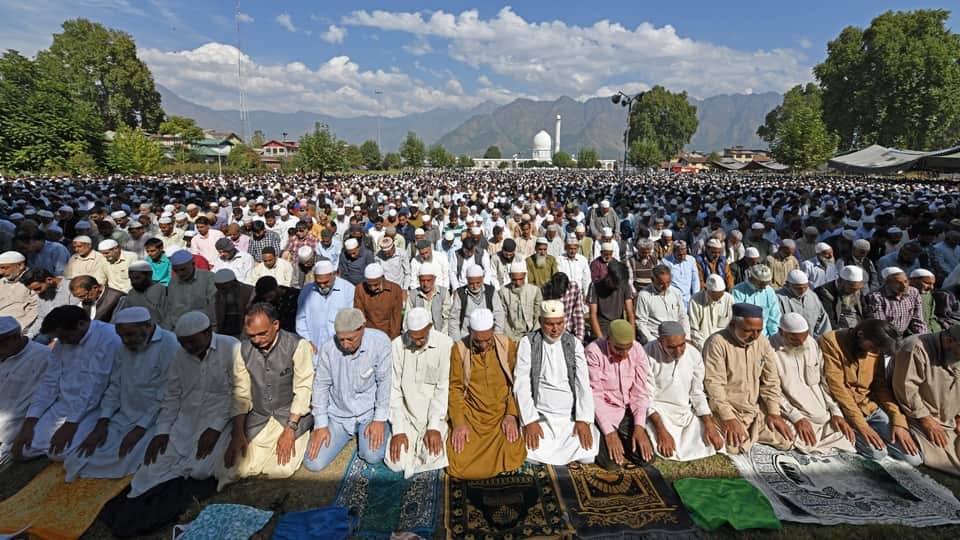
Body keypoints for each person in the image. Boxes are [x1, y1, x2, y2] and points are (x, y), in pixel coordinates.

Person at [129, 311, 239, 497]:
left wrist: (215, 428)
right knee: (150, 468)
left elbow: (237, 393)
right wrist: (162, 431)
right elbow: (172, 395)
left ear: (208, 332)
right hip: (186, 419)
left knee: (200, 470)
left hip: (219, 417)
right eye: (183, 343)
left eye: (192, 342)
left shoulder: (231, 347)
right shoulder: (180, 355)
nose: (188, 347)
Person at [65, 307, 179, 480]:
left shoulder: (169, 344)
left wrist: (140, 428)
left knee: (130, 457)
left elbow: (167, 393)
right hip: (124, 417)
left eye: (130, 335)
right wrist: (102, 422)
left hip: (155, 419)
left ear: (147, 327)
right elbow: (115, 385)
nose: (125, 341)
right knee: (78, 458)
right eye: (121, 336)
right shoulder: (124, 346)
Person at [220, 303, 314, 487]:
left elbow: (304, 388)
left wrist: (290, 429)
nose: (257, 340)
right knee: (232, 469)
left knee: (280, 469)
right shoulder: (242, 350)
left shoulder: (297, 345)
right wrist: (238, 433)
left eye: (262, 333)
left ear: (276, 325)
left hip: (291, 416)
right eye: (251, 336)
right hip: (260, 417)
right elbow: (241, 393)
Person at [11, 306, 121, 461]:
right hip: (63, 405)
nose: (61, 342)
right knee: (23, 450)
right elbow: (50, 382)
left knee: (59, 453)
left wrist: (71, 424)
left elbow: (95, 386)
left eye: (63, 337)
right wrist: (29, 423)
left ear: (82, 324)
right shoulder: (62, 342)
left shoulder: (109, 338)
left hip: (96, 406)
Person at [820, 319, 923, 466]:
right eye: (873, 347)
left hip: (869, 407)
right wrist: (861, 425)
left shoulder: (876, 349)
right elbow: (838, 389)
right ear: (860, 334)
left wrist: (898, 421)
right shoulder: (831, 341)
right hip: (844, 411)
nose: (874, 352)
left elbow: (880, 387)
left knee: (913, 458)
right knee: (877, 453)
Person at [304, 309, 392, 471]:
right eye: (341, 339)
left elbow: (385, 383)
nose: (345, 344)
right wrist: (321, 424)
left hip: (369, 413)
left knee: (372, 455)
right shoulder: (329, 349)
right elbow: (321, 386)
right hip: (339, 415)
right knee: (313, 462)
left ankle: (382, 429)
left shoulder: (380, 343)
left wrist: (379, 419)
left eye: (350, 339)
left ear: (362, 329)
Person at [514, 301, 598, 465]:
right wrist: (530, 421)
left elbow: (583, 384)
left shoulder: (573, 343)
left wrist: (583, 420)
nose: (555, 329)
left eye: (559, 323)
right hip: (541, 416)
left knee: (588, 456)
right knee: (531, 456)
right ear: (540, 321)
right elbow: (521, 384)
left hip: (569, 418)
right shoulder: (528, 342)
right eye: (550, 324)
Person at [702, 303, 794, 455]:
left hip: (754, 410)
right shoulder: (717, 343)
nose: (754, 335)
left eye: (759, 330)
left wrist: (773, 412)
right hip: (729, 409)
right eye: (748, 330)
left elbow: (771, 382)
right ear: (733, 324)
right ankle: (740, 431)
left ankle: (754, 431)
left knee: (786, 440)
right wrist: (728, 418)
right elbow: (714, 385)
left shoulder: (763, 343)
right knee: (734, 447)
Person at [446, 308, 525, 479]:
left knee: (513, 453)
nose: (482, 346)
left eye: (487, 340)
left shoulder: (507, 345)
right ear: (470, 332)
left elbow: (516, 384)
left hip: (500, 415)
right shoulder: (459, 350)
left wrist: (511, 415)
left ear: (493, 331)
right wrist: (459, 423)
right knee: (457, 460)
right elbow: (455, 389)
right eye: (478, 341)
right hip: (473, 416)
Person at [771, 313, 856, 455]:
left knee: (846, 437)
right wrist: (796, 417)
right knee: (793, 439)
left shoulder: (810, 343)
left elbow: (824, 381)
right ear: (781, 332)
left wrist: (835, 411)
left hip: (824, 414)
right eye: (794, 340)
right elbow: (773, 392)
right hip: (794, 413)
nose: (801, 344)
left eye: (804, 338)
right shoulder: (770, 350)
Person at [386, 308, 453, 478]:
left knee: (432, 456)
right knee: (396, 463)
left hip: (431, 416)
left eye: (422, 337)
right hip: (406, 416)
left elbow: (442, 389)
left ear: (430, 327)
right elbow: (393, 390)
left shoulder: (445, 344)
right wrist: (398, 429)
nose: (417, 342)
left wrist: (433, 427)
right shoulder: (397, 345)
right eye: (413, 338)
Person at [643, 321, 724, 461]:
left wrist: (709, 424)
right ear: (660, 341)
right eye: (672, 347)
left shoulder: (693, 354)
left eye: (682, 345)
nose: (678, 351)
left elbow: (697, 392)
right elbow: (645, 398)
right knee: (661, 445)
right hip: (659, 412)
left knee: (708, 442)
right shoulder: (647, 354)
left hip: (685, 412)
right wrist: (661, 431)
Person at [892, 325, 960, 476]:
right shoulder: (914, 348)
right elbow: (905, 389)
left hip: (950, 420)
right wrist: (926, 420)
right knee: (922, 456)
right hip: (917, 417)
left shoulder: (955, 350)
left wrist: (959, 417)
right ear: (949, 341)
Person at [585, 319, 652, 469]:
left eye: (628, 349)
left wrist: (639, 427)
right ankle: (605, 436)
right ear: (608, 340)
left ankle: (622, 440)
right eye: (619, 349)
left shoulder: (637, 350)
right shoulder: (593, 352)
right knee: (611, 464)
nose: (624, 354)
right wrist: (609, 433)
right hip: (601, 412)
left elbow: (640, 392)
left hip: (625, 409)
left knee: (646, 458)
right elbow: (594, 396)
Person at [0, 317, 51, 466]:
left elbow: (29, 405)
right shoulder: (5, 354)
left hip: (13, 427)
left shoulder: (43, 357)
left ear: (14, 338)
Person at [296, 259, 355, 353]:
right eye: (318, 283)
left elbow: (353, 320)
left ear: (334, 275)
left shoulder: (348, 290)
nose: (322, 286)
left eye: (326, 282)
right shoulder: (306, 291)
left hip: (340, 348)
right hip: (314, 349)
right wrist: (307, 341)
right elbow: (300, 319)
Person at [863, 266, 927, 337]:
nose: (904, 286)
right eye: (898, 283)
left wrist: (923, 338)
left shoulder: (913, 292)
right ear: (888, 283)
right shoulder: (876, 297)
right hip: (885, 337)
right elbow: (880, 326)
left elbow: (918, 321)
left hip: (903, 335)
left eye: (906, 281)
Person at [448, 265, 505, 341]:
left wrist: (496, 336)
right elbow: (454, 320)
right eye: (471, 283)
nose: (475, 286)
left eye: (478, 283)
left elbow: (499, 315)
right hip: (466, 338)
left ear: (482, 279)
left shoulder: (491, 291)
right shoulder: (460, 293)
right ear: (467, 280)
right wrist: (457, 342)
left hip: (488, 338)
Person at [164, 249, 217, 331]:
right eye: (176, 270)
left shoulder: (209, 278)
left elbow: (214, 308)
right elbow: (170, 310)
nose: (179, 273)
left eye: (183, 269)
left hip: (202, 328)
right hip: (178, 328)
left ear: (193, 264)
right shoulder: (173, 282)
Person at [635, 264, 689, 345]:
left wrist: (687, 337)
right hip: (656, 340)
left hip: (677, 339)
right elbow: (641, 323)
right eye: (661, 283)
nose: (665, 286)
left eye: (668, 282)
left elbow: (683, 316)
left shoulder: (675, 292)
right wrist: (653, 342)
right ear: (653, 280)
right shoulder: (644, 295)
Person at [776, 269, 832, 339]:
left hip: (811, 341)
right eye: (798, 288)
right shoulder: (778, 298)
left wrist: (821, 340)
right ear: (788, 284)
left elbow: (822, 320)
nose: (802, 291)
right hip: (789, 341)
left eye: (805, 287)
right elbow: (777, 324)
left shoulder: (812, 296)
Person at [354, 263, 404, 340]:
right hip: (368, 334)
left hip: (388, 334)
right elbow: (359, 316)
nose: (373, 288)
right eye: (369, 286)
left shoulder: (395, 290)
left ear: (383, 279)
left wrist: (393, 340)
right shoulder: (360, 289)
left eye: (376, 285)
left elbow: (396, 319)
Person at [588, 260, 635, 340]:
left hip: (619, 325)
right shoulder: (595, 286)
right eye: (615, 283)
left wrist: (632, 339)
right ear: (608, 276)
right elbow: (593, 315)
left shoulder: (625, 285)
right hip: (601, 327)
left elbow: (630, 313)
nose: (617, 286)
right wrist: (600, 340)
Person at [731, 264, 781, 337]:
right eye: (761, 284)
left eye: (766, 284)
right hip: (744, 336)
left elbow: (774, 317)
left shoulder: (769, 291)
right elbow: (737, 317)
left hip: (765, 336)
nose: (763, 287)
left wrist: (774, 337)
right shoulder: (737, 291)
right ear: (752, 278)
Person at [499, 261, 543, 341]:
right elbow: (502, 318)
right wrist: (511, 338)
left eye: (520, 279)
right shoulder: (503, 292)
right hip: (512, 335)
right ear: (509, 276)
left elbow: (538, 315)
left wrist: (533, 336)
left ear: (525, 275)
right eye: (514, 280)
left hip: (532, 334)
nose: (518, 283)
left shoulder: (535, 291)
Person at [689, 274, 734, 349]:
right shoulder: (695, 300)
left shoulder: (729, 299)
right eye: (715, 295)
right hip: (702, 344)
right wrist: (705, 347)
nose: (719, 298)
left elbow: (732, 326)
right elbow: (693, 329)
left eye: (721, 294)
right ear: (707, 291)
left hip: (724, 345)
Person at [815, 265, 865, 330]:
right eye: (852, 289)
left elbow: (865, 310)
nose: (855, 292)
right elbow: (830, 320)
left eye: (858, 289)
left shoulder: (856, 290)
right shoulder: (823, 292)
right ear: (841, 281)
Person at [405, 262, 451, 333]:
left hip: (439, 334)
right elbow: (407, 320)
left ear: (434, 279)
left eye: (428, 280)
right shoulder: (412, 295)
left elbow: (447, 318)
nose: (425, 284)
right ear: (418, 280)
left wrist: (442, 337)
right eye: (422, 281)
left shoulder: (443, 293)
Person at [0, 251, 38, 331]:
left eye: (4, 268)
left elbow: (35, 310)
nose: (1, 272)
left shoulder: (34, 282)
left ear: (20, 265)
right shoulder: (2, 282)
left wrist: (17, 328)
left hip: (17, 329)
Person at [212, 269, 254, 338]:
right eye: (219, 288)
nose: (222, 291)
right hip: (224, 334)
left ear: (234, 283)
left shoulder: (249, 291)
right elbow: (214, 321)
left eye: (224, 288)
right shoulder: (216, 296)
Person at [664, 240, 699, 308]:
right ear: (673, 252)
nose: (683, 257)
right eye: (680, 255)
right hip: (673, 298)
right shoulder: (665, 262)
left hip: (688, 298)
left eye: (684, 254)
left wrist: (695, 296)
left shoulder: (691, 260)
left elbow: (695, 280)